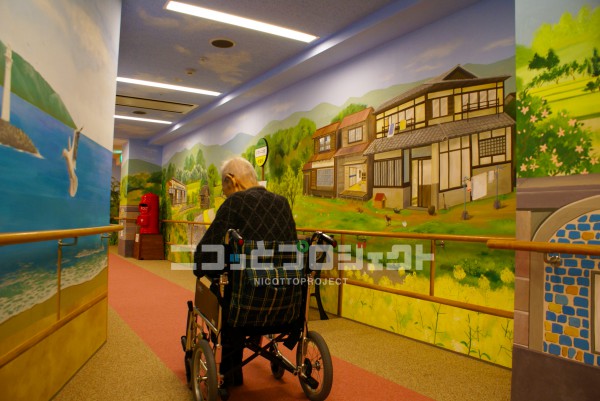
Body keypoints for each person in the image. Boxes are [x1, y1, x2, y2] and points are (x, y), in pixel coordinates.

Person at [193, 156, 297, 389]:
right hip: (285, 302)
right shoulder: (282, 203)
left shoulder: (235, 203)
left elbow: (207, 251)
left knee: (223, 285)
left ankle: (231, 371)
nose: (225, 195)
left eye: (224, 189)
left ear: (232, 180)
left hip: (244, 307)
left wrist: (201, 265)